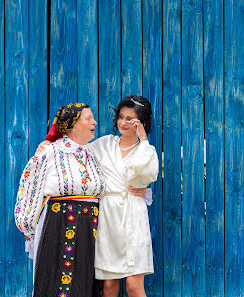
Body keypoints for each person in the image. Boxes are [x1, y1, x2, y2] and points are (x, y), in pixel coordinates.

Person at [40, 95, 159, 297]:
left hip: (133, 216)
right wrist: (50, 145)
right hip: (107, 217)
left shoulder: (147, 150)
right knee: (109, 286)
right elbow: (75, 150)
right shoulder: (104, 145)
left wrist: (143, 138)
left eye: (130, 119)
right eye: (121, 117)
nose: (123, 122)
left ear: (142, 123)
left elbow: (144, 172)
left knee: (134, 286)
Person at [15, 103, 105, 297]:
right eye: (88, 118)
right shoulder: (50, 152)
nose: (94, 122)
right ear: (72, 124)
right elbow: (30, 187)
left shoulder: (92, 153)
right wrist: (28, 226)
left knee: (85, 283)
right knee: (58, 282)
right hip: (60, 225)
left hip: (91, 227)